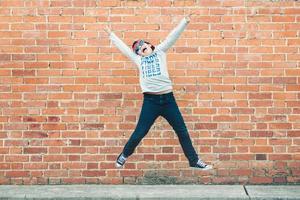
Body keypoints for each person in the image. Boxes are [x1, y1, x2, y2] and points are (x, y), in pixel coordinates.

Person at [104, 13, 212, 170]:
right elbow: (125, 49)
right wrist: (111, 35)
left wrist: (184, 21)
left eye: (143, 45)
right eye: (139, 49)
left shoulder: (160, 52)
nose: (142, 48)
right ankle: (124, 155)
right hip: (151, 102)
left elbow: (172, 37)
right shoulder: (138, 60)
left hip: (168, 100)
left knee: (182, 130)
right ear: (139, 54)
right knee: (140, 132)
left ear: (150, 45)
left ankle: (194, 160)